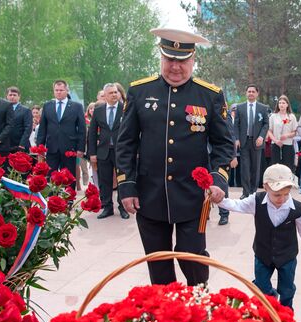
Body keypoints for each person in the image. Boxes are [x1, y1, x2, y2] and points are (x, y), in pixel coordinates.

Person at [116, 28, 234, 286]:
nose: (175, 67)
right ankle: (166, 317)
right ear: (161, 57)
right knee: (157, 262)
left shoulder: (210, 95)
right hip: (149, 194)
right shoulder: (139, 91)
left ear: (193, 60)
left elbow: (224, 144)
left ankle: (198, 306)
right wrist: (126, 185)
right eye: (170, 59)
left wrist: (218, 178)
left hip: (194, 197)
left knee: (193, 258)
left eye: (182, 61)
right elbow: (125, 143)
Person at [211, 164, 301, 308]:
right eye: (277, 195)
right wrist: (221, 201)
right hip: (262, 254)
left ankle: (286, 316)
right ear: (266, 187)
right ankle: (270, 300)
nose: (282, 198)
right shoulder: (256, 200)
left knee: (287, 289)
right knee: (261, 286)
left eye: (286, 194)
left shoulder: (297, 208)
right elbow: (238, 205)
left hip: (287, 256)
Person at [88, 84, 129, 220]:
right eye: (110, 93)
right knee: (104, 180)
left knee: (122, 179)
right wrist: (92, 153)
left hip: (121, 151)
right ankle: (107, 207)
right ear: (104, 95)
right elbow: (92, 133)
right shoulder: (99, 110)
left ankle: (123, 207)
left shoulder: (125, 109)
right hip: (103, 151)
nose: (114, 95)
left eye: (115, 92)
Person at [36, 79, 86, 180]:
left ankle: (69, 196)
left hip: (69, 148)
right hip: (52, 148)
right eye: (56, 90)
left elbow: (82, 129)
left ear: (67, 91)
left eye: (61, 90)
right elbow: (42, 128)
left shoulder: (76, 107)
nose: (58, 92)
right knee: (50, 177)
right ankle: (51, 196)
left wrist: (80, 148)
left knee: (68, 178)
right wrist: (40, 147)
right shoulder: (47, 106)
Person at [234, 84, 270, 199]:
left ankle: (253, 192)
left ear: (257, 93)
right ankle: (245, 192)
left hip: (257, 142)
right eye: (249, 91)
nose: (250, 93)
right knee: (245, 168)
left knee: (255, 167)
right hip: (244, 142)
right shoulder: (240, 107)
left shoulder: (263, 108)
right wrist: (237, 138)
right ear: (246, 93)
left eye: (253, 91)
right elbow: (236, 125)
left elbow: (266, 124)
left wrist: (261, 137)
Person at [218, 103, 239, 226]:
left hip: (220, 156)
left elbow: (231, 136)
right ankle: (205, 212)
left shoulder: (224, 115)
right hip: (201, 154)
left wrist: (233, 156)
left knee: (221, 184)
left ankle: (224, 214)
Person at [267, 95, 298, 172]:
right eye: (280, 103)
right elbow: (269, 131)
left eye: (283, 103)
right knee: (275, 166)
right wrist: (275, 140)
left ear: (287, 104)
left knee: (288, 166)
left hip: (287, 144)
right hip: (276, 144)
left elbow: (295, 132)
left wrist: (287, 135)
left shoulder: (291, 117)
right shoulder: (273, 116)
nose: (281, 105)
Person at [6, 86, 32, 152]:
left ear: (19, 96)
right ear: (7, 96)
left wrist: (22, 144)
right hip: (5, 145)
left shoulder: (26, 110)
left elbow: (28, 128)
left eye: (14, 95)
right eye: (10, 95)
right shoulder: (2, 109)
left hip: (20, 145)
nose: (12, 97)